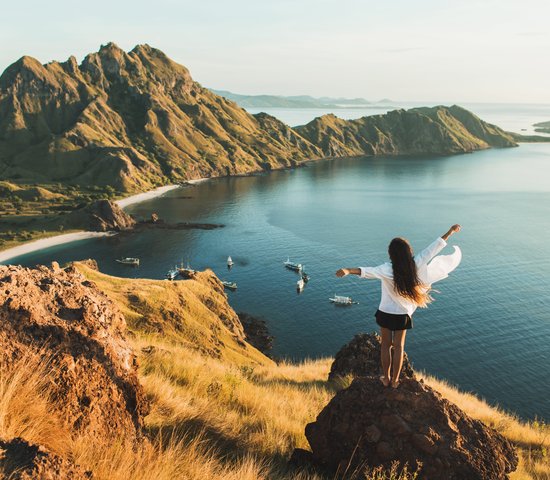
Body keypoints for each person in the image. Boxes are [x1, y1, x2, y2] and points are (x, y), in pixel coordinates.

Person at [335, 225, 462, 388]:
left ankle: (386, 378)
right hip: (402, 315)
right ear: (408, 252)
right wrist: (450, 232)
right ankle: (395, 381)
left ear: (391, 254)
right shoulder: (415, 264)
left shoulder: (386, 269)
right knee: (399, 346)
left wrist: (347, 270)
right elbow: (433, 249)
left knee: (385, 346)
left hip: (385, 313)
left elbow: (366, 271)